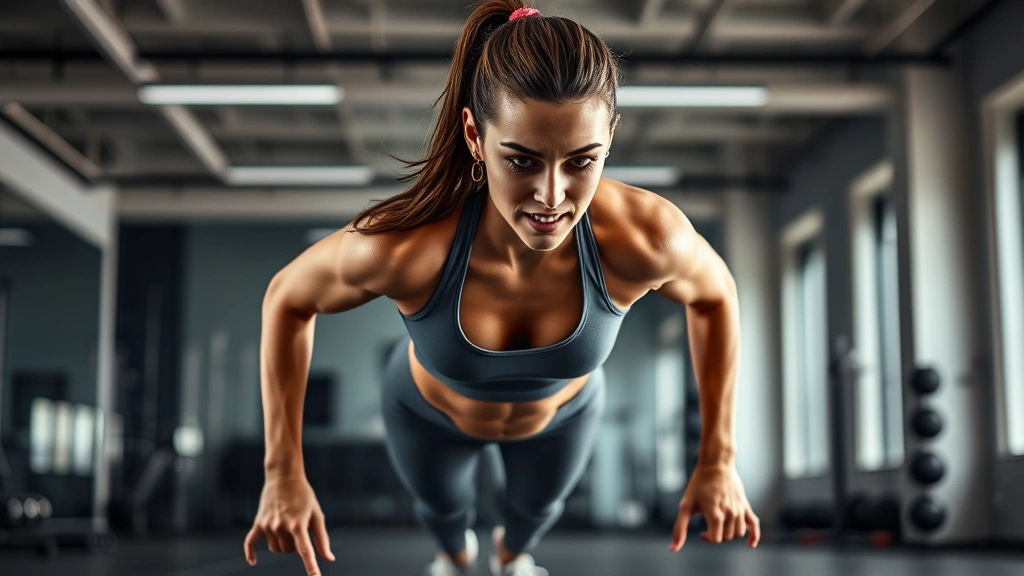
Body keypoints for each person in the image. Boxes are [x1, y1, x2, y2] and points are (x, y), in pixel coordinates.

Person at [243, 2, 760, 575]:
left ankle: (513, 559)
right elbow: (288, 297)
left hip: (563, 416)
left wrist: (718, 458)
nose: (552, 196)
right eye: (521, 160)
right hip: (426, 413)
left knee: (531, 520)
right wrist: (283, 473)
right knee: (443, 520)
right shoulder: (407, 248)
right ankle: (454, 559)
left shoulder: (646, 237)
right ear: (474, 135)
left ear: (610, 136)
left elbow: (715, 295)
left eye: (582, 161)